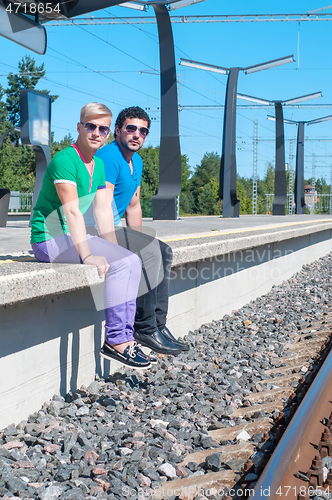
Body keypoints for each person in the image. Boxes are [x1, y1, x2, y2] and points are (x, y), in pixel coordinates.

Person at [30, 102, 154, 370]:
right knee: (124, 263)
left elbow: (102, 211)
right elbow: (72, 211)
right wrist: (87, 255)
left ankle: (125, 339)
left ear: (108, 133)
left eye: (103, 128)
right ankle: (116, 340)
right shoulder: (65, 160)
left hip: (70, 239)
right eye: (91, 126)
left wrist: (115, 251)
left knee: (129, 261)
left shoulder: (97, 165)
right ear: (79, 127)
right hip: (48, 240)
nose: (97, 132)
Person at [87, 106, 189, 355]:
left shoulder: (137, 161)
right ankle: (143, 327)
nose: (137, 135)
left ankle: (157, 324)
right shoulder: (110, 157)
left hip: (109, 226)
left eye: (143, 131)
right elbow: (102, 207)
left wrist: (141, 240)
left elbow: (133, 205)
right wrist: (115, 247)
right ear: (118, 130)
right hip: (90, 229)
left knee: (161, 250)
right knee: (150, 252)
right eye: (131, 128)